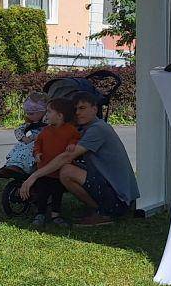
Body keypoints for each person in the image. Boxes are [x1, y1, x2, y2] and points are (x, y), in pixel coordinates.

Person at [26, 93, 138, 226]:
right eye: (76, 109)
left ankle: (104, 213)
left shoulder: (98, 129)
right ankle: (99, 209)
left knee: (66, 171)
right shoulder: (88, 128)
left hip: (120, 200)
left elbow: (67, 156)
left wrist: (34, 176)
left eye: (82, 108)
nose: (78, 113)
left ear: (95, 109)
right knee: (68, 167)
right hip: (119, 194)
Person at [14, 97, 80, 226]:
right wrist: (37, 153)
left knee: (57, 194)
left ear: (60, 116)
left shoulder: (70, 130)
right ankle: (40, 213)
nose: (46, 115)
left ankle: (56, 215)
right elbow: (38, 143)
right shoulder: (45, 131)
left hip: (59, 172)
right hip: (43, 170)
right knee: (42, 193)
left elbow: (76, 138)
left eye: (49, 112)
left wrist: (72, 144)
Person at [0, 94, 46, 179]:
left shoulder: (48, 120)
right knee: (19, 145)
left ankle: (22, 167)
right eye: (27, 113)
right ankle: (10, 165)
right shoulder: (31, 122)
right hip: (32, 139)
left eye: (31, 113)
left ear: (43, 111)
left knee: (30, 148)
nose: (28, 116)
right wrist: (23, 138)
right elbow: (18, 130)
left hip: (44, 142)